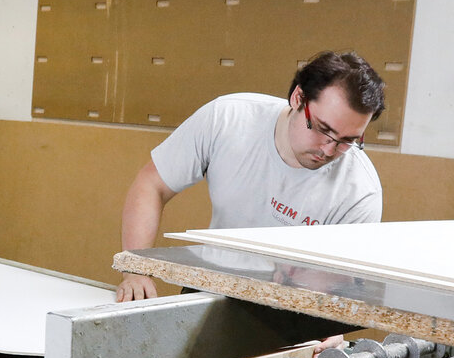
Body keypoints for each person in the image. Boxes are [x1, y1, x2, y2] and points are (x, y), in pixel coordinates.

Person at [117, 51, 385, 303]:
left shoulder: (359, 191)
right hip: (211, 283)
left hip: (294, 304)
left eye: (347, 141)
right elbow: (152, 185)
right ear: (298, 98)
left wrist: (334, 327)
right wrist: (135, 268)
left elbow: (342, 284)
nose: (328, 149)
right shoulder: (228, 119)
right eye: (322, 129)